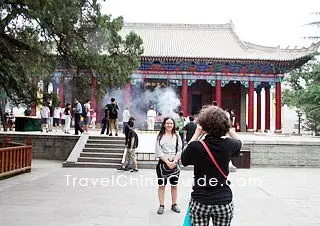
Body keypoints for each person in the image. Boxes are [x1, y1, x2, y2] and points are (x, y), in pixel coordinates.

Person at [181, 105, 242, 226]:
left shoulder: (196, 146)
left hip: (200, 200)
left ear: (204, 125)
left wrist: (197, 133)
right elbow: (240, 143)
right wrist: (229, 129)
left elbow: (183, 159)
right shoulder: (229, 145)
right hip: (223, 200)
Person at [155, 117, 182, 215]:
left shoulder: (177, 136)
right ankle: (161, 205)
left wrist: (174, 161)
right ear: (164, 125)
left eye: (171, 123)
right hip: (162, 164)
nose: (169, 125)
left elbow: (179, 150)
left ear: (174, 125)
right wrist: (167, 162)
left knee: (174, 185)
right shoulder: (160, 136)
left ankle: (174, 204)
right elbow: (158, 151)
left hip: (174, 163)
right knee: (162, 185)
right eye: (167, 123)